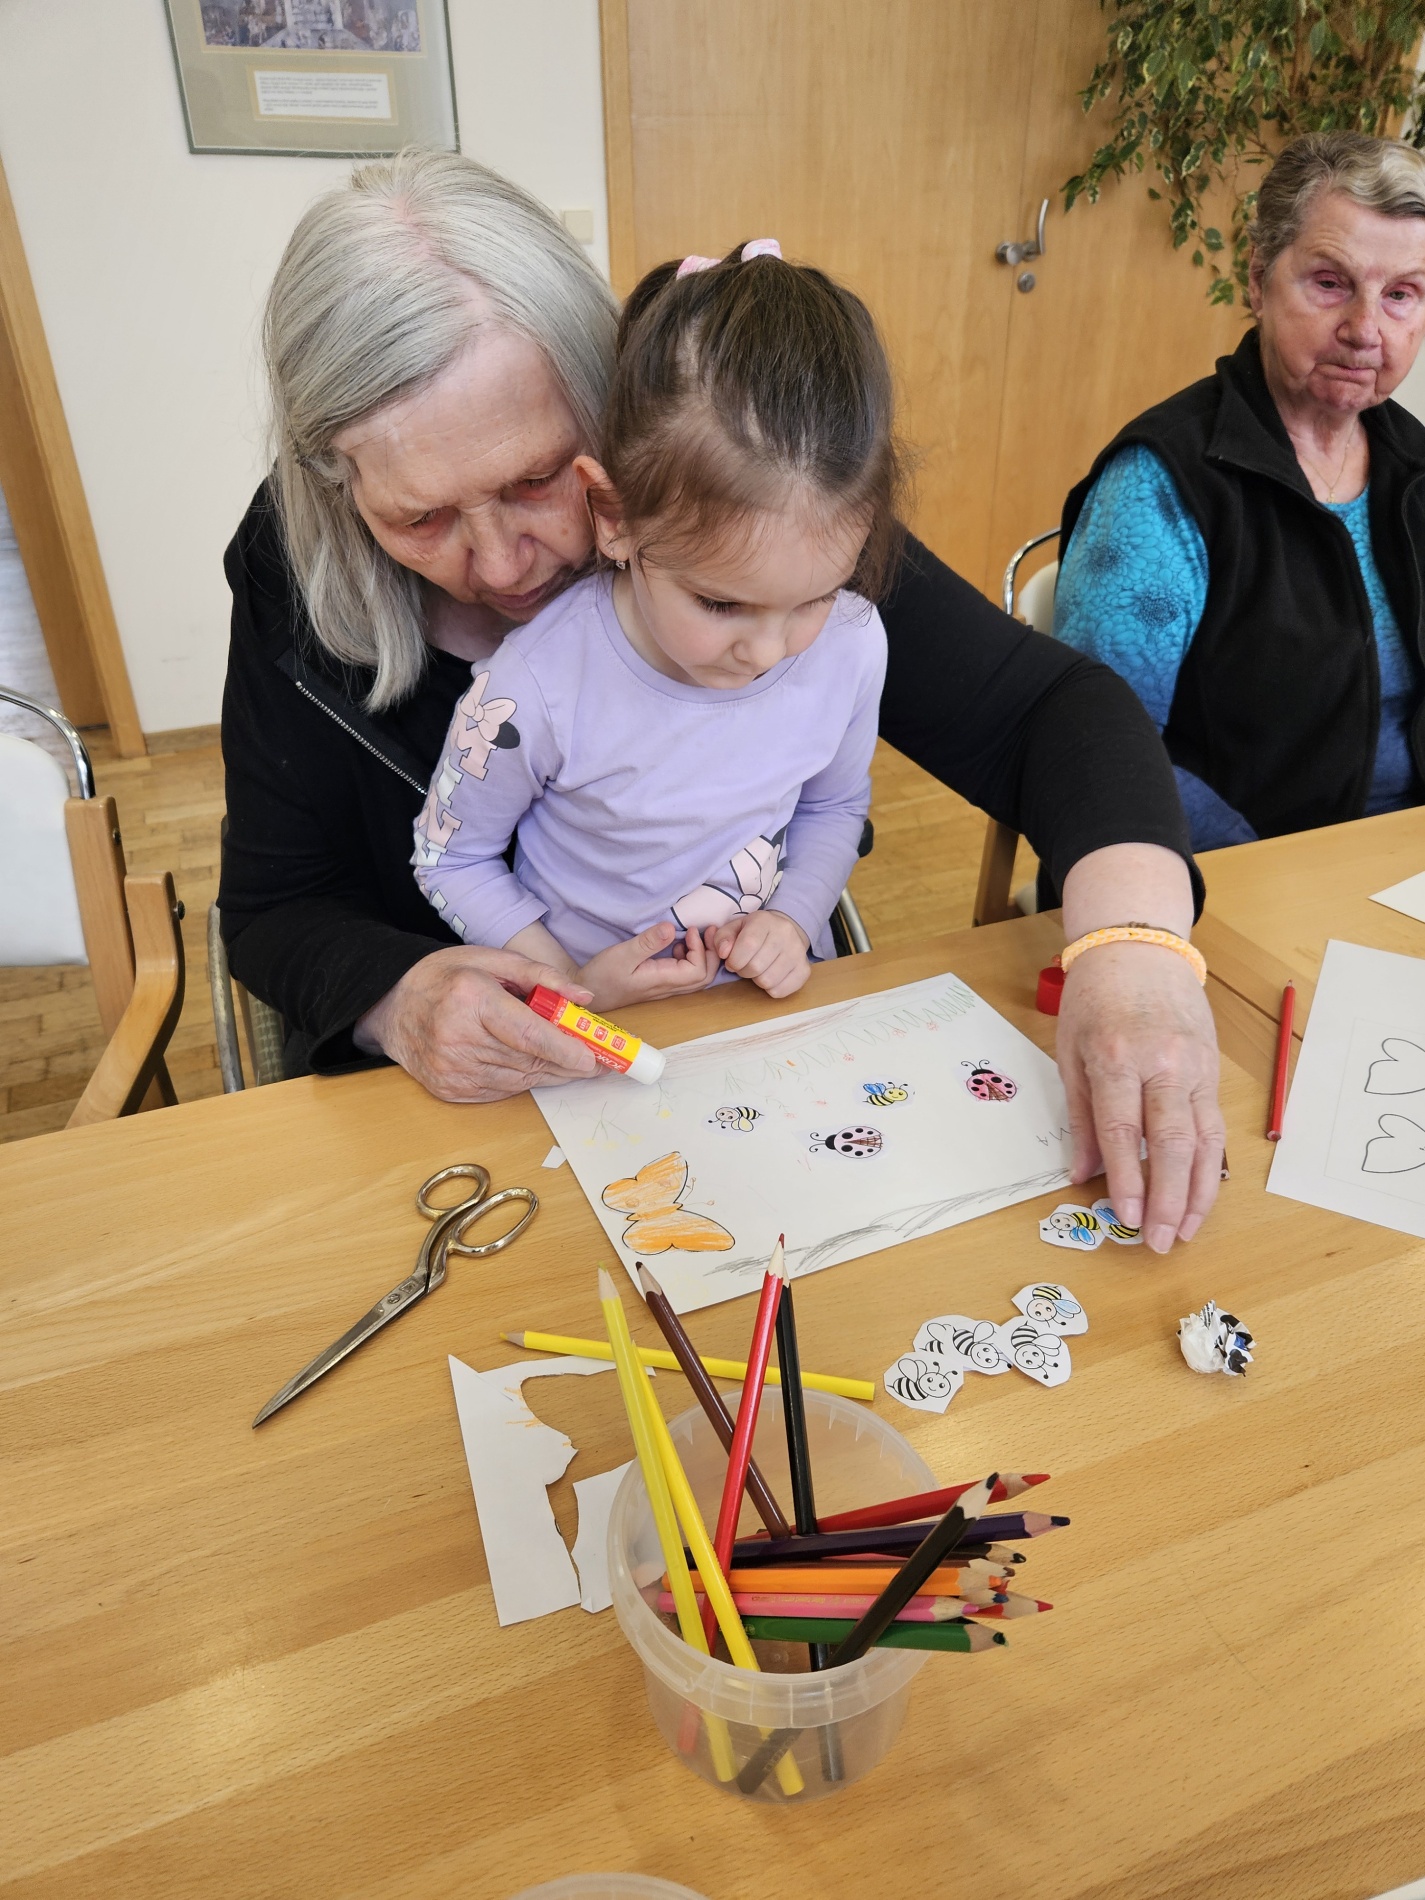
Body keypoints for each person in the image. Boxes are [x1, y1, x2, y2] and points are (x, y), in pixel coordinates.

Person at [220, 150, 1223, 1252]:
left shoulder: (726, 487)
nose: (502, 564)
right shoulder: (292, 574)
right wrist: (401, 999)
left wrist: (1134, 953)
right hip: (464, 1115)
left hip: (745, 1055)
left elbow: (1051, 710)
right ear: (338, 488)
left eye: (535, 480)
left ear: (611, 420)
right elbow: (274, 908)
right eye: (419, 519)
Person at [413, 239, 896, 1008]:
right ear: (613, 517)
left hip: (765, 1019)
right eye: (720, 604)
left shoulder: (852, 644)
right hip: (595, 1033)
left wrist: (792, 918)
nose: (769, 650)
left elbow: (833, 806)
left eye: (815, 597)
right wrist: (569, 986)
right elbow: (451, 859)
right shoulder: (531, 689)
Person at [1055, 132, 1425, 851]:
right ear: (1257, 280)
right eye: (1330, 283)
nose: (1365, 330)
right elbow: (1100, 749)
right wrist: (1270, 875)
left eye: (1400, 295)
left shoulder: (1414, 465)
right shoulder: (1162, 484)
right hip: (1232, 867)